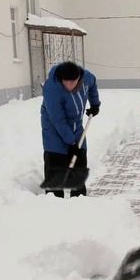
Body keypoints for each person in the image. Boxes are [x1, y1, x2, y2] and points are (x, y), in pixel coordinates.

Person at [41, 61, 100, 198]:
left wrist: (95, 104)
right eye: (65, 82)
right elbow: (58, 120)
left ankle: (78, 198)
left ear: (79, 78)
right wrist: (71, 143)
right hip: (53, 129)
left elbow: (93, 84)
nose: (68, 85)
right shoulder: (52, 88)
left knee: (79, 160)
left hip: (76, 125)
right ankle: (54, 201)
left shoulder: (86, 77)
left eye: (72, 82)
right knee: (56, 162)